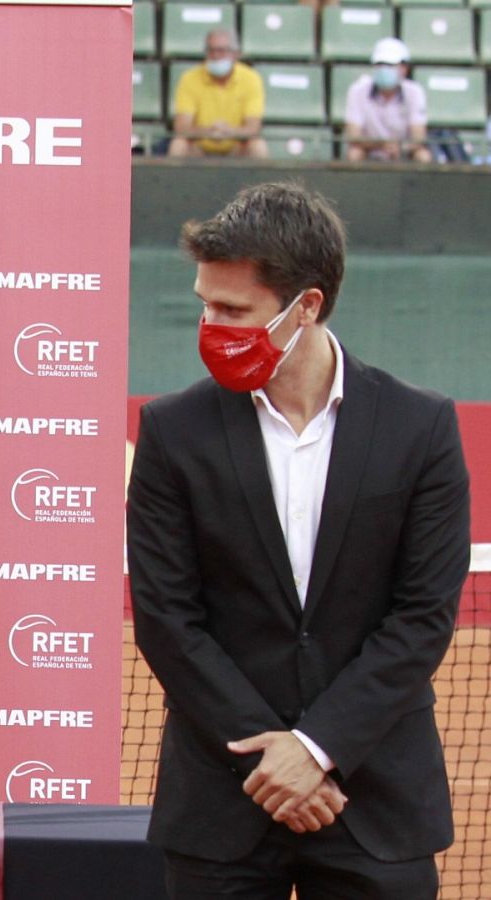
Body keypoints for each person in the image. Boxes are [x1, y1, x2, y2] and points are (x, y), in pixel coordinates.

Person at [129, 182, 469, 898]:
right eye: (203, 302)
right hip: (221, 807)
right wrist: (270, 761)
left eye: (232, 310)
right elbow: (167, 618)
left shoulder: (422, 428)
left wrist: (317, 750)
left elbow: (422, 617)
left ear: (306, 307)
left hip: (374, 802)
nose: (209, 323)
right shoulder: (171, 431)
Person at [168, 28, 268, 159]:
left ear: (235, 54)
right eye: (211, 50)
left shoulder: (251, 78)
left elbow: (253, 127)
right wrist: (209, 131)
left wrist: (229, 132)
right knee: (178, 144)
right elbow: (181, 127)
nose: (215, 55)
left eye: (221, 51)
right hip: (199, 149)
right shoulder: (189, 78)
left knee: (258, 145)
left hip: (236, 148)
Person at [344, 37, 431, 163]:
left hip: (404, 151)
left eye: (390, 65)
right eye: (380, 64)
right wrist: (381, 145)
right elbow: (353, 135)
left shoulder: (415, 92)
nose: (383, 69)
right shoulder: (357, 91)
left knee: (423, 156)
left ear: (404, 68)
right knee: (354, 154)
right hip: (369, 149)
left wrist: (401, 147)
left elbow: (418, 136)